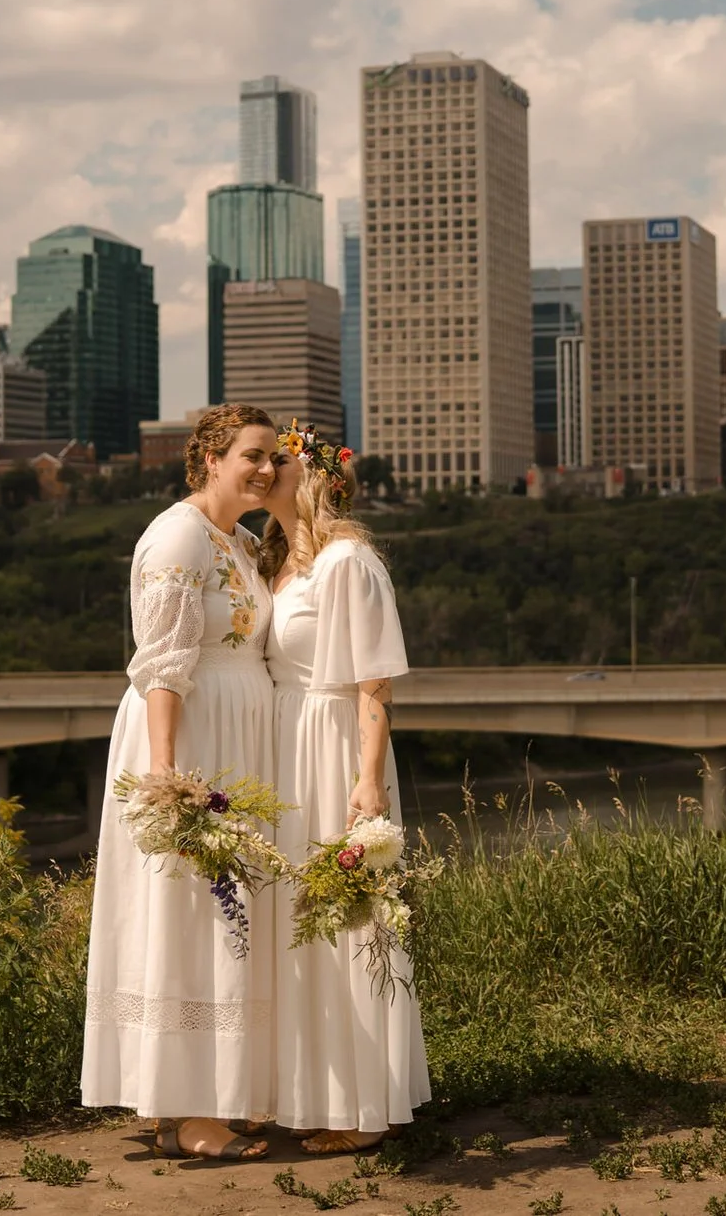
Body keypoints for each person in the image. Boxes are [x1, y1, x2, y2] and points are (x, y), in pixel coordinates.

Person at [81, 404, 284, 1161]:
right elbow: (161, 662)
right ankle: (188, 1111)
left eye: (271, 458)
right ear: (208, 459)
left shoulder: (234, 538)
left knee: (222, 915)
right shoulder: (176, 534)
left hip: (235, 736)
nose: (265, 469)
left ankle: (219, 1091)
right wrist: (167, 775)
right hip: (189, 736)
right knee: (190, 915)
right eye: (251, 456)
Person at [261, 429, 430, 1151]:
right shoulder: (280, 563)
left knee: (346, 920)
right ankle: (308, 1092)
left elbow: (374, 681)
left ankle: (362, 1107)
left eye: (281, 460)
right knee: (297, 925)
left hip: (334, 747)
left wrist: (367, 778)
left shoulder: (349, 562)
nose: (268, 468)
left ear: (312, 479)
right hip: (286, 747)